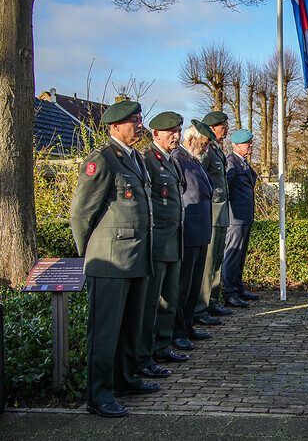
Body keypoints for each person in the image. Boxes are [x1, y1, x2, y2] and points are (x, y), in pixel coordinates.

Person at [70, 100, 160, 418]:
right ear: (114, 126)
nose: (139, 124)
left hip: (135, 256)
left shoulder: (134, 158)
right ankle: (98, 395)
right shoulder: (103, 159)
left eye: (139, 118)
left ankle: (124, 380)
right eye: (132, 120)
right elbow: (82, 212)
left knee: (128, 327)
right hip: (110, 259)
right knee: (105, 330)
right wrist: (91, 252)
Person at [137, 111, 189, 377]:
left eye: (179, 132)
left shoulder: (172, 161)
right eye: (171, 132)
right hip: (157, 242)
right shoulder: (147, 160)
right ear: (155, 134)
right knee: (151, 303)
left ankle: (163, 345)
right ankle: (145, 355)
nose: (177, 137)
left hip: (173, 241)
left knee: (170, 297)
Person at [171, 120, 216, 351]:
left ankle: (187, 326)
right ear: (191, 140)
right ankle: (177, 331)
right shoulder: (179, 159)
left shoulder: (194, 160)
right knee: (183, 285)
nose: (206, 148)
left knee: (193, 285)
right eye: (204, 143)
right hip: (188, 231)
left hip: (200, 231)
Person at [195, 110, 235, 322]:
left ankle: (213, 301)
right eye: (223, 126)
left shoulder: (216, 150)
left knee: (217, 258)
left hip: (220, 211)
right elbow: (198, 180)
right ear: (212, 128)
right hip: (210, 211)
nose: (226, 129)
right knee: (208, 261)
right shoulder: (206, 151)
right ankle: (201, 307)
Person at [221, 129, 260, 306]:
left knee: (241, 254)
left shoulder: (242, 162)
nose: (250, 146)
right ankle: (229, 291)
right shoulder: (231, 162)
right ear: (236, 145)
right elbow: (226, 188)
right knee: (233, 254)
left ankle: (237, 287)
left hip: (244, 216)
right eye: (246, 144)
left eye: (250, 143)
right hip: (235, 217)